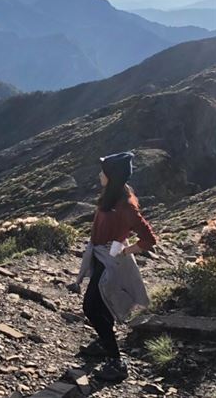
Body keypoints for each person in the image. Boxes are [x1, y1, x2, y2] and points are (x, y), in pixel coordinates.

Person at [69, 152, 157, 381]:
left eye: (104, 171)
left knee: (91, 307)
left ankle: (116, 362)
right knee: (100, 304)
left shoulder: (126, 205)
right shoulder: (112, 195)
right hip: (100, 256)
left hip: (110, 261)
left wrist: (125, 251)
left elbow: (149, 239)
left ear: (112, 176)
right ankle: (103, 341)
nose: (100, 174)